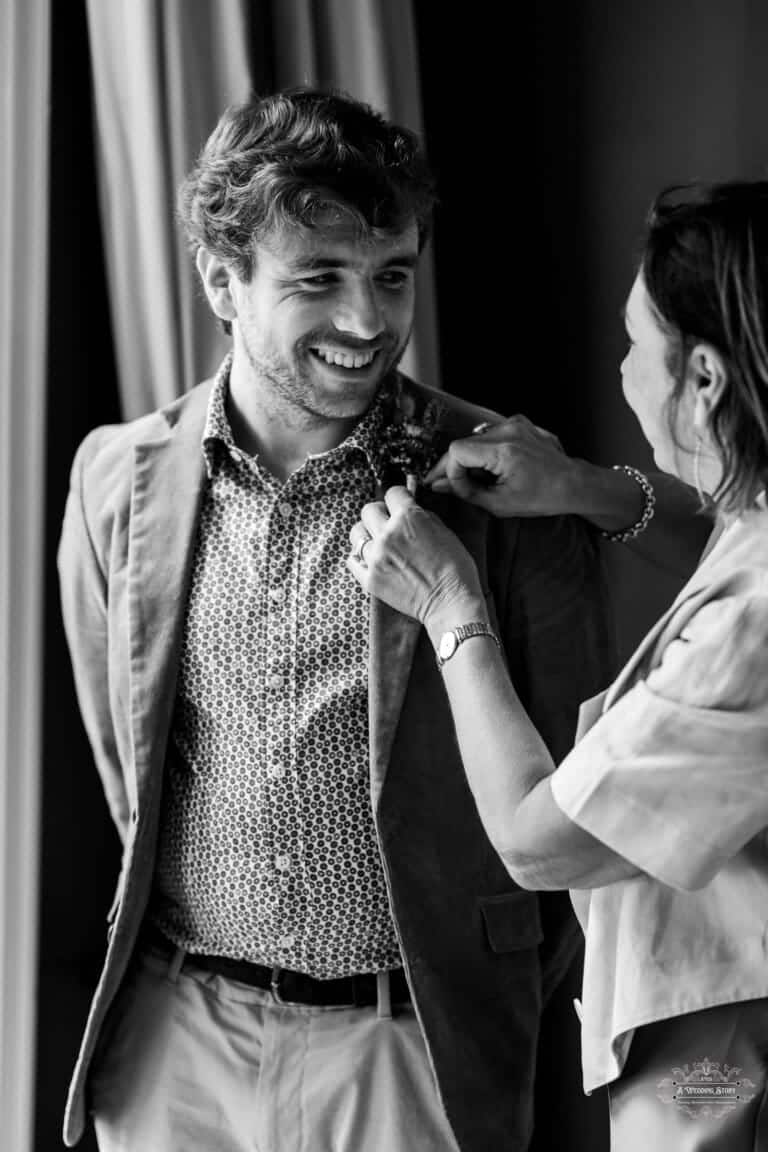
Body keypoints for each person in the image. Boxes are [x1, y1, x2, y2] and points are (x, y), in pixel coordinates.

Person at [57, 88, 615, 1152]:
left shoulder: (506, 490)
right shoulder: (114, 481)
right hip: (180, 1044)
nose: (369, 322)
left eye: (391, 274)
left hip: (409, 1055)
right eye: (319, 278)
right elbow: (120, 753)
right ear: (223, 282)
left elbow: (569, 795)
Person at [349, 180, 768, 1150]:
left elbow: (540, 843)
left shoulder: (749, 633)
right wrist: (583, 490)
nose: (621, 373)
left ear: (702, 379)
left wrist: (456, 613)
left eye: (634, 345)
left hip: (720, 1053)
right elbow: (724, 539)